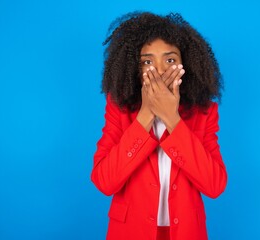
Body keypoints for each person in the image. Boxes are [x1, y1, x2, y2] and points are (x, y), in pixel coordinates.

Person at [91, 11, 227, 240]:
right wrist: (146, 115)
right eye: (147, 61)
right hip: (130, 231)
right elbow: (105, 182)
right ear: (135, 69)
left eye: (170, 60)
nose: (160, 70)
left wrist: (172, 119)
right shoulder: (119, 108)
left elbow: (214, 185)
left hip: (185, 232)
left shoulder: (204, 112)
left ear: (187, 65)